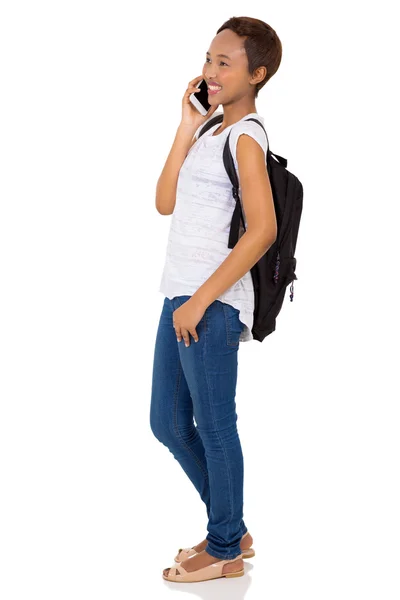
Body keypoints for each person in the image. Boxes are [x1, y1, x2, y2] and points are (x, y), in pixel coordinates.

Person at [150, 16, 281, 583]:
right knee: (168, 423)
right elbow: (163, 202)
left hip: (213, 304)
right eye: (208, 59)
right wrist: (186, 126)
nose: (210, 71)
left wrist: (202, 302)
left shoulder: (247, 136)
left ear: (258, 73)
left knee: (214, 425)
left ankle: (226, 547)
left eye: (225, 63)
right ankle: (233, 529)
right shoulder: (209, 131)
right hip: (180, 296)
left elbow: (263, 231)